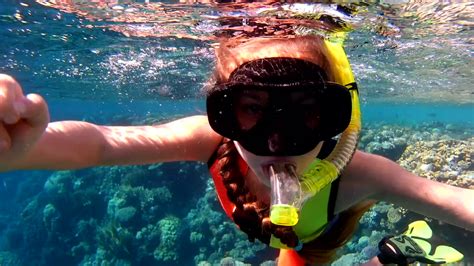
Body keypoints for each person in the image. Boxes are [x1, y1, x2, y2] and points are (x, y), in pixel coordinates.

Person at [0, 35, 472, 265]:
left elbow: (449, 198)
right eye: (250, 109)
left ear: (334, 118)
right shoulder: (209, 139)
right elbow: (105, 143)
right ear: (222, 114)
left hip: (321, 240)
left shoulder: (359, 175)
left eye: (306, 112)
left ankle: (403, 252)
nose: (275, 143)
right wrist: (23, 149)